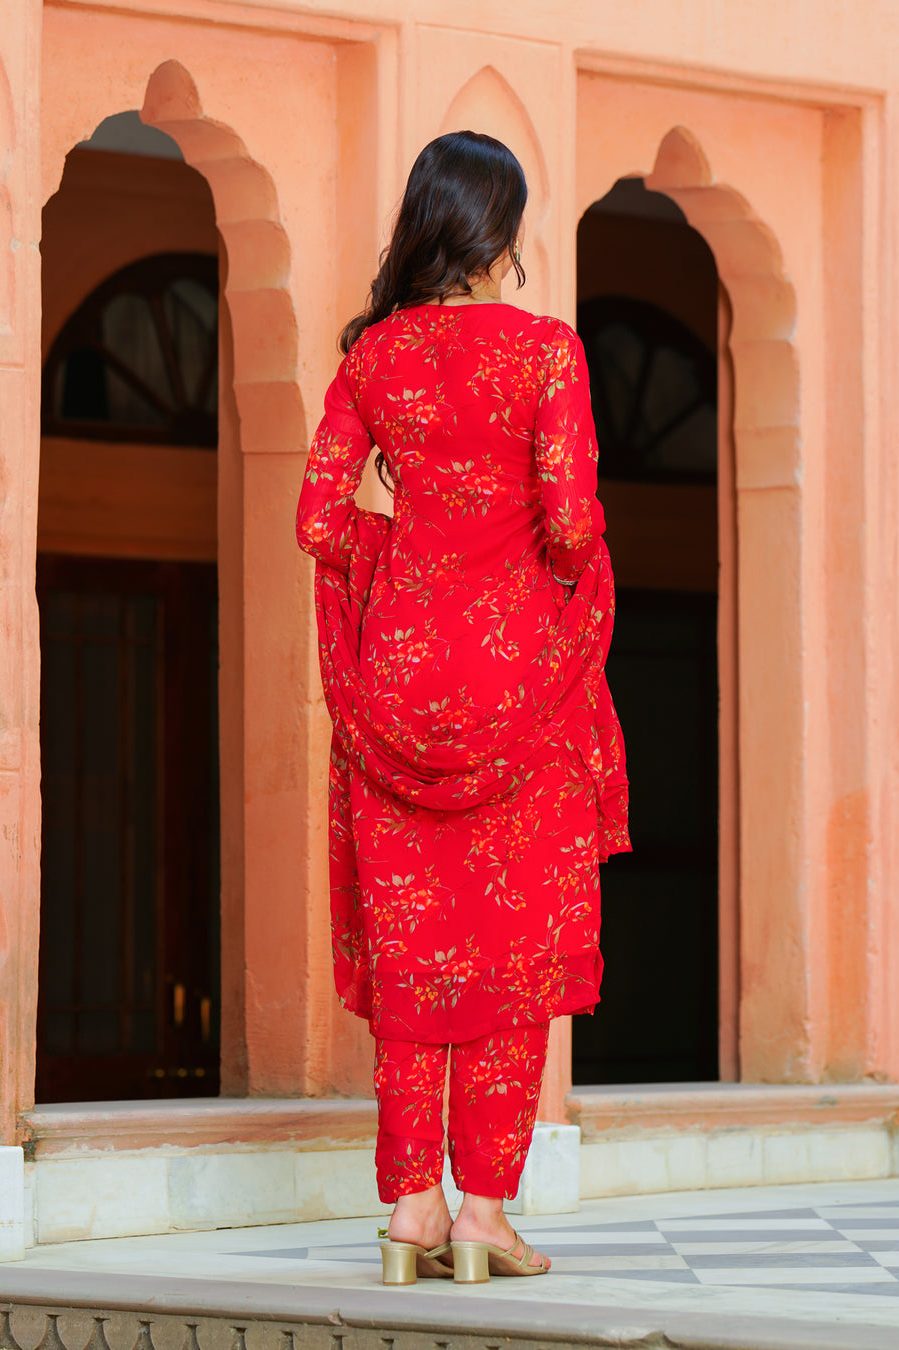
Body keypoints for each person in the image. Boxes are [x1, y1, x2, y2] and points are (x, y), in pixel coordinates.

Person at [295, 130, 630, 1286]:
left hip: (394, 680)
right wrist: (535, 570)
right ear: (503, 230)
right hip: (516, 685)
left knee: (414, 949)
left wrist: (405, 553)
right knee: (509, 951)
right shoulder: (545, 355)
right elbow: (574, 523)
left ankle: (411, 1213)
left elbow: (321, 519)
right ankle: (484, 1214)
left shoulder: (372, 361)